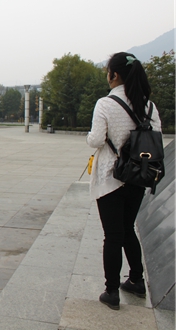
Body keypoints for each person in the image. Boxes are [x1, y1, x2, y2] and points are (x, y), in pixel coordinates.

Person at [86, 52, 162, 310]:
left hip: (112, 176)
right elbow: (156, 137)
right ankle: (137, 280)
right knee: (128, 228)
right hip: (138, 176)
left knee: (113, 235)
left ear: (115, 75)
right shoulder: (149, 106)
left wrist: (90, 137)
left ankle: (111, 291)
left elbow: (96, 139)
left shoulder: (106, 103)